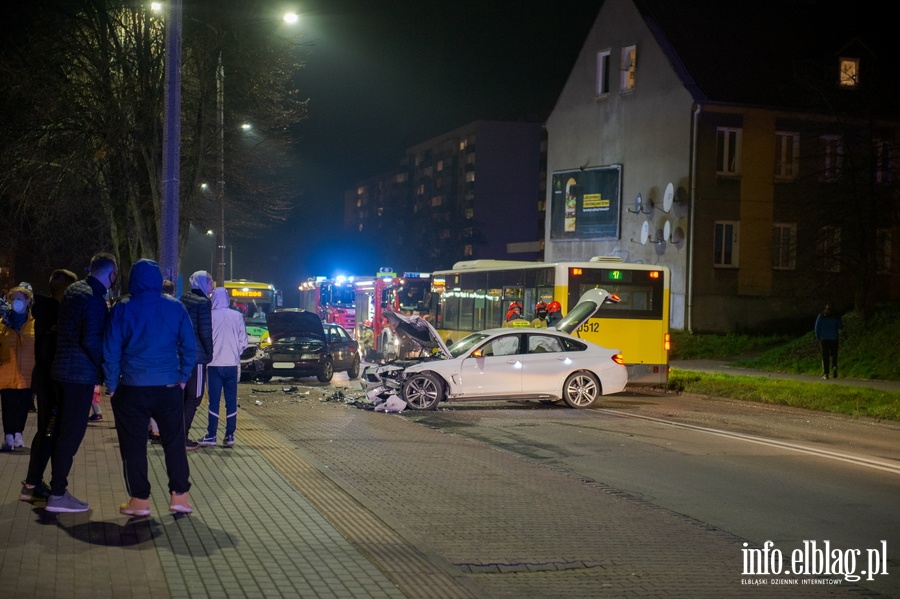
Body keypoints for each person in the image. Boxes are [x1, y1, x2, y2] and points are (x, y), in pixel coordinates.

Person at [103, 259, 197, 517]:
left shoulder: (122, 308)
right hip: (167, 386)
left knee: (133, 446)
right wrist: (182, 378)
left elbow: (110, 349)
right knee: (174, 442)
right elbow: (190, 347)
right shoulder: (175, 307)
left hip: (131, 387)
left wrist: (112, 385)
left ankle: (140, 500)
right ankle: (180, 497)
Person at [46, 252, 117, 513]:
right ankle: (57, 493)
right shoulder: (95, 299)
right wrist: (106, 368)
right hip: (78, 375)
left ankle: (54, 489)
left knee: (61, 432)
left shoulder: (74, 290)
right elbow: (91, 340)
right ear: (110, 274)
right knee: (70, 435)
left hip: (60, 371)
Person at [20, 269, 77, 502]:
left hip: (43, 380)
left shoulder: (43, 313)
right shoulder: (57, 316)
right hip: (51, 382)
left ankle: (32, 482)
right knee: (49, 432)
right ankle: (33, 484)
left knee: (45, 431)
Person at [198, 287, 248, 448]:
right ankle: (230, 434)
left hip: (214, 365)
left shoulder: (209, 316)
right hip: (232, 365)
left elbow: (204, 338)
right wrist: (235, 353)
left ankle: (212, 435)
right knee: (231, 401)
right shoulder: (237, 316)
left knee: (214, 401)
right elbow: (243, 342)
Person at [179, 271, 214, 450]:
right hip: (197, 356)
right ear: (202, 283)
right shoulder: (203, 303)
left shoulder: (183, 299)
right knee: (195, 397)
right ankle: (182, 437)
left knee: (183, 396)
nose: (213, 285)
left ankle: (176, 434)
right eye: (210, 281)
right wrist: (209, 353)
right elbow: (205, 331)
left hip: (182, 354)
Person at [0, 286, 36, 452]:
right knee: (8, 406)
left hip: (28, 373)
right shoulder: (2, 325)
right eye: (13, 299)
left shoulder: (34, 324)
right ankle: (8, 436)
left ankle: (18, 435)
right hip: (7, 373)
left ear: (28, 301)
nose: (16, 302)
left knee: (23, 407)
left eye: (20, 299)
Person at [814, 303, 843, 379]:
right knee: (834, 354)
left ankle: (826, 373)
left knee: (825, 355)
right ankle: (834, 366)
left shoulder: (821, 315)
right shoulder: (837, 316)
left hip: (824, 339)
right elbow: (840, 326)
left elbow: (817, 327)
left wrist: (818, 336)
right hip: (834, 338)